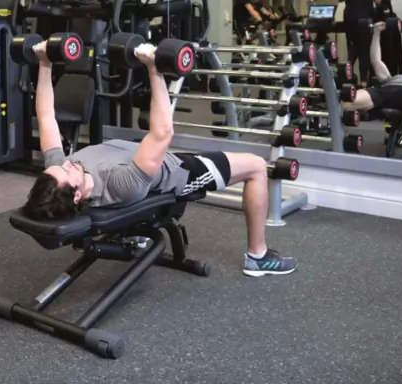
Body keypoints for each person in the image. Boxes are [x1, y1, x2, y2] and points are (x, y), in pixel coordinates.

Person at [23, 40, 298, 277]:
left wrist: (44, 64)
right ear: (75, 197)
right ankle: (258, 256)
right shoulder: (120, 183)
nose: (67, 163)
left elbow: (46, 116)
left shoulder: (56, 172)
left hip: (143, 156)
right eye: (67, 170)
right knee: (257, 166)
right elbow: (163, 132)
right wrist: (154, 69)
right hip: (180, 171)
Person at [342, 21, 402, 114]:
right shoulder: (390, 78)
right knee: (346, 101)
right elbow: (376, 60)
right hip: (383, 92)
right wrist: (376, 32)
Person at [338, 0, 383, 87]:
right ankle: (364, 82)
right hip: (365, 17)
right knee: (365, 49)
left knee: (352, 48)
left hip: (350, 17)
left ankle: (348, 79)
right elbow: (378, 0)